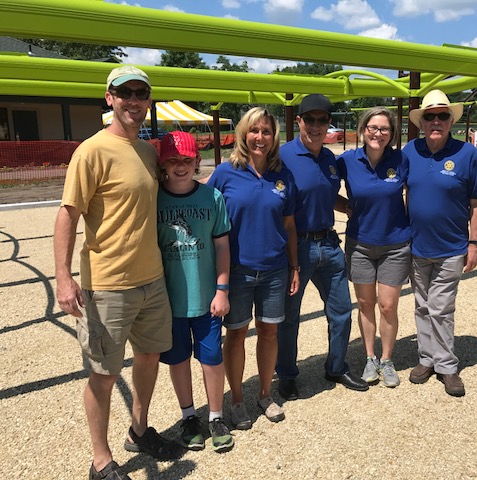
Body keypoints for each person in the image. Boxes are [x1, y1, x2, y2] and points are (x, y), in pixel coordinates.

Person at [53, 66, 180, 480]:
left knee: (149, 357)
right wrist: (63, 278)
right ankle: (101, 459)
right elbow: (68, 214)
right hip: (107, 284)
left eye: (141, 93)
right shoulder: (91, 151)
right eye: (125, 92)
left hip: (152, 279)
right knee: (104, 374)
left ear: (148, 100)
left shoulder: (147, 152)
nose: (134, 100)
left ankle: (139, 431)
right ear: (109, 97)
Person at [204, 107, 299, 429]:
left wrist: (295, 266)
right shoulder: (225, 173)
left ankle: (264, 393)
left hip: (274, 269)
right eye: (254, 130)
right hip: (237, 270)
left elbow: (289, 226)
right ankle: (236, 399)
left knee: (269, 332)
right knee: (236, 334)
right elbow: (207, 216)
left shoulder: (283, 176)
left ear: (274, 137)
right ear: (244, 134)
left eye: (267, 131)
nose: (260, 137)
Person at [276, 94, 369, 399]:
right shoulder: (281, 156)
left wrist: (350, 207)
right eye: (310, 119)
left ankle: (337, 366)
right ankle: (286, 374)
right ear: (298, 121)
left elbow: (325, 194)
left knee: (341, 310)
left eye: (322, 120)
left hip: (328, 243)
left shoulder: (330, 159)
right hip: (296, 247)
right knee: (289, 317)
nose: (316, 126)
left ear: (329, 123)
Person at [403, 90, 477, 397]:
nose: (436, 121)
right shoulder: (410, 151)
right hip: (417, 246)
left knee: (441, 308)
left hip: (451, 247)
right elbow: (401, 190)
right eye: (429, 116)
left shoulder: (466, 154)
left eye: (442, 115)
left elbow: (476, 203)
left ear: (451, 121)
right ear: (421, 122)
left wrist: (474, 243)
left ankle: (447, 365)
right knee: (422, 306)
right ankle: (426, 358)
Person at [156, 131, 234, 453]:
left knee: (212, 358)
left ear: (197, 161)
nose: (180, 166)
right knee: (178, 359)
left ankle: (215, 416)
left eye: (186, 160)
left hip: (206, 298)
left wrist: (222, 289)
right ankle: (189, 416)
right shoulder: (154, 199)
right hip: (169, 301)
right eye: (172, 160)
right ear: (162, 164)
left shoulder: (211, 198)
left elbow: (222, 246)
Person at [336, 107, 411, 388]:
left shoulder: (401, 160)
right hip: (360, 244)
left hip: (395, 244)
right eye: (372, 127)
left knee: (388, 305)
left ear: (392, 133)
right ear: (363, 130)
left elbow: (417, 191)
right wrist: (344, 206)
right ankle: (370, 357)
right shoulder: (348, 160)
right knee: (366, 303)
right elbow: (323, 187)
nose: (378, 133)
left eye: (384, 129)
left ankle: (387, 359)